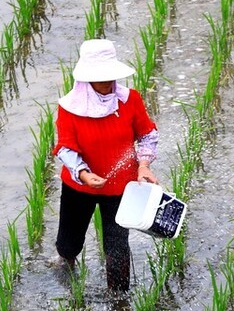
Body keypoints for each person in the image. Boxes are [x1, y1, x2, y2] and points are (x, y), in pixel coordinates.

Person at [53, 39, 159, 291]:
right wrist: (83, 173)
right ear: (87, 79)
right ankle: (67, 275)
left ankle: (120, 304)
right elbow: (65, 148)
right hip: (80, 187)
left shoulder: (130, 100)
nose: (108, 83)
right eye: (101, 78)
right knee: (69, 244)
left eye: (111, 77)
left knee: (117, 246)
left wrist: (144, 165)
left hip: (121, 188)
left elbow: (147, 135)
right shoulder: (69, 108)